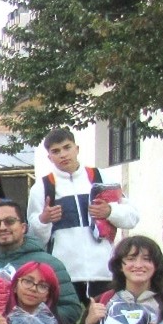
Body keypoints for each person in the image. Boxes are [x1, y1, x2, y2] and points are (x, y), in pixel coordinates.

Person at [28, 129, 140, 301]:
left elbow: (132, 217)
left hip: (104, 273)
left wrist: (110, 212)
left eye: (67, 148)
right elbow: (35, 239)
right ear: (49, 157)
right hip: (64, 276)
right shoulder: (42, 188)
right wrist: (44, 220)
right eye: (56, 151)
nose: (63, 155)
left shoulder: (102, 178)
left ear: (77, 149)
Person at [0, 200, 83, 324]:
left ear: (23, 227)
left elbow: (72, 309)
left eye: (9, 221)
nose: (2, 227)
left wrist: (33, 321)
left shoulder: (49, 263)